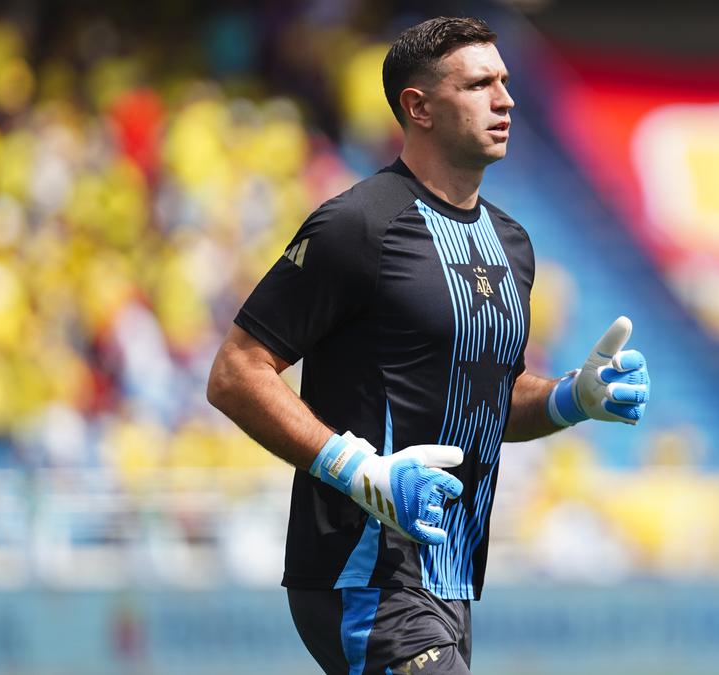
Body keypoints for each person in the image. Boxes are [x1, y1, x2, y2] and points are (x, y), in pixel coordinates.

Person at [206, 16, 650, 675]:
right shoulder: (358, 224)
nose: (506, 99)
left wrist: (569, 398)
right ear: (419, 107)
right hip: (363, 571)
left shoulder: (513, 245)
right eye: (478, 85)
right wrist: (361, 471)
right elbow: (236, 372)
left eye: (503, 81)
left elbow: (488, 406)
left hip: (451, 579)